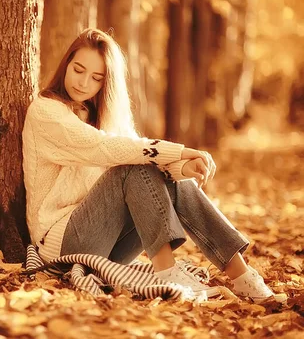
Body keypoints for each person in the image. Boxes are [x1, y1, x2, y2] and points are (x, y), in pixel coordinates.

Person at [22, 28, 278, 303]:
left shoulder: (95, 114)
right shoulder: (46, 111)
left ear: (104, 84)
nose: (84, 83)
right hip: (60, 245)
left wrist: (181, 170)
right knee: (135, 162)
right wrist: (180, 151)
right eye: (78, 69)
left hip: (106, 246)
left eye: (96, 78)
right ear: (66, 65)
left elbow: (138, 155)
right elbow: (103, 147)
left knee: (159, 170)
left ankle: (241, 275)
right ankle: (167, 272)